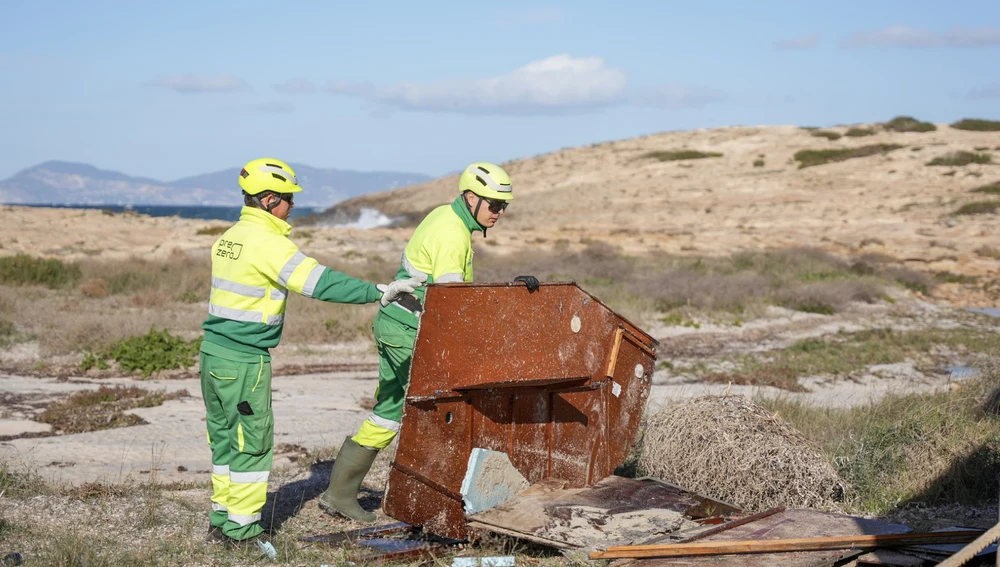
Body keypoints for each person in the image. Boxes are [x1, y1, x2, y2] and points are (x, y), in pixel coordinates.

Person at [200, 157, 419, 547]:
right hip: (245, 361)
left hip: (213, 355)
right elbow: (319, 282)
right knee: (253, 444)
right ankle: (242, 533)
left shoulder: (230, 237)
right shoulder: (268, 244)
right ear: (268, 200)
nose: (293, 205)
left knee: (223, 440)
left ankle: (222, 518)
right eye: (287, 198)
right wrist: (377, 291)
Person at [317, 161, 539, 523]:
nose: (500, 213)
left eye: (504, 206)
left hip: (397, 325)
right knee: (442, 411)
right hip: (409, 331)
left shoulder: (446, 218)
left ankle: (339, 494)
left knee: (390, 412)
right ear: (471, 198)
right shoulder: (452, 234)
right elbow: (453, 305)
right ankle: (436, 497)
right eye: (495, 205)